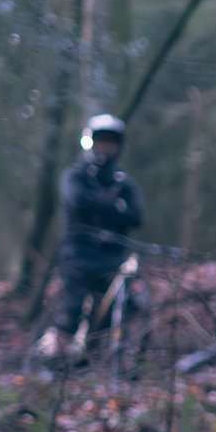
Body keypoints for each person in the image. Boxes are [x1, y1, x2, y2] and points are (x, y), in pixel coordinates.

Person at [49, 114, 146, 349]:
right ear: (91, 143)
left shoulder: (123, 182)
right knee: (72, 310)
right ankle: (52, 356)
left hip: (113, 258)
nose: (106, 147)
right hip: (78, 254)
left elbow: (136, 216)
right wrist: (112, 206)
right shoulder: (75, 175)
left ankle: (95, 358)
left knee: (118, 308)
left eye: (111, 142)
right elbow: (75, 202)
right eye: (101, 141)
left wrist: (103, 205)